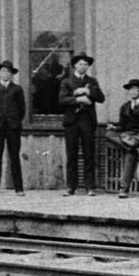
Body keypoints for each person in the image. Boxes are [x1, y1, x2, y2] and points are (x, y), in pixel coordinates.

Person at [59, 53, 105, 196]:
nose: (83, 67)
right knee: (71, 154)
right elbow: (61, 100)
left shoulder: (92, 81)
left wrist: (87, 91)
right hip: (71, 122)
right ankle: (70, 187)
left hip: (87, 121)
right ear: (74, 66)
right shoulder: (66, 82)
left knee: (88, 154)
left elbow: (101, 98)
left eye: (85, 64)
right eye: (80, 64)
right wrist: (79, 100)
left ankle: (89, 187)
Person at [0, 60, 26, 196]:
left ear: (11, 74)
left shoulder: (17, 89)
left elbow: (22, 110)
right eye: (3, 71)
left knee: (14, 157)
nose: (5, 74)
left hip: (13, 127)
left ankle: (19, 188)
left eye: (8, 71)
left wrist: (14, 121)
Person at [111, 78, 139, 198]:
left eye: (136, 89)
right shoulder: (124, 107)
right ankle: (137, 149)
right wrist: (114, 127)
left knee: (130, 154)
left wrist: (138, 138)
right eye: (131, 90)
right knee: (108, 134)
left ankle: (124, 189)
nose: (133, 92)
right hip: (127, 136)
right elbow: (122, 126)